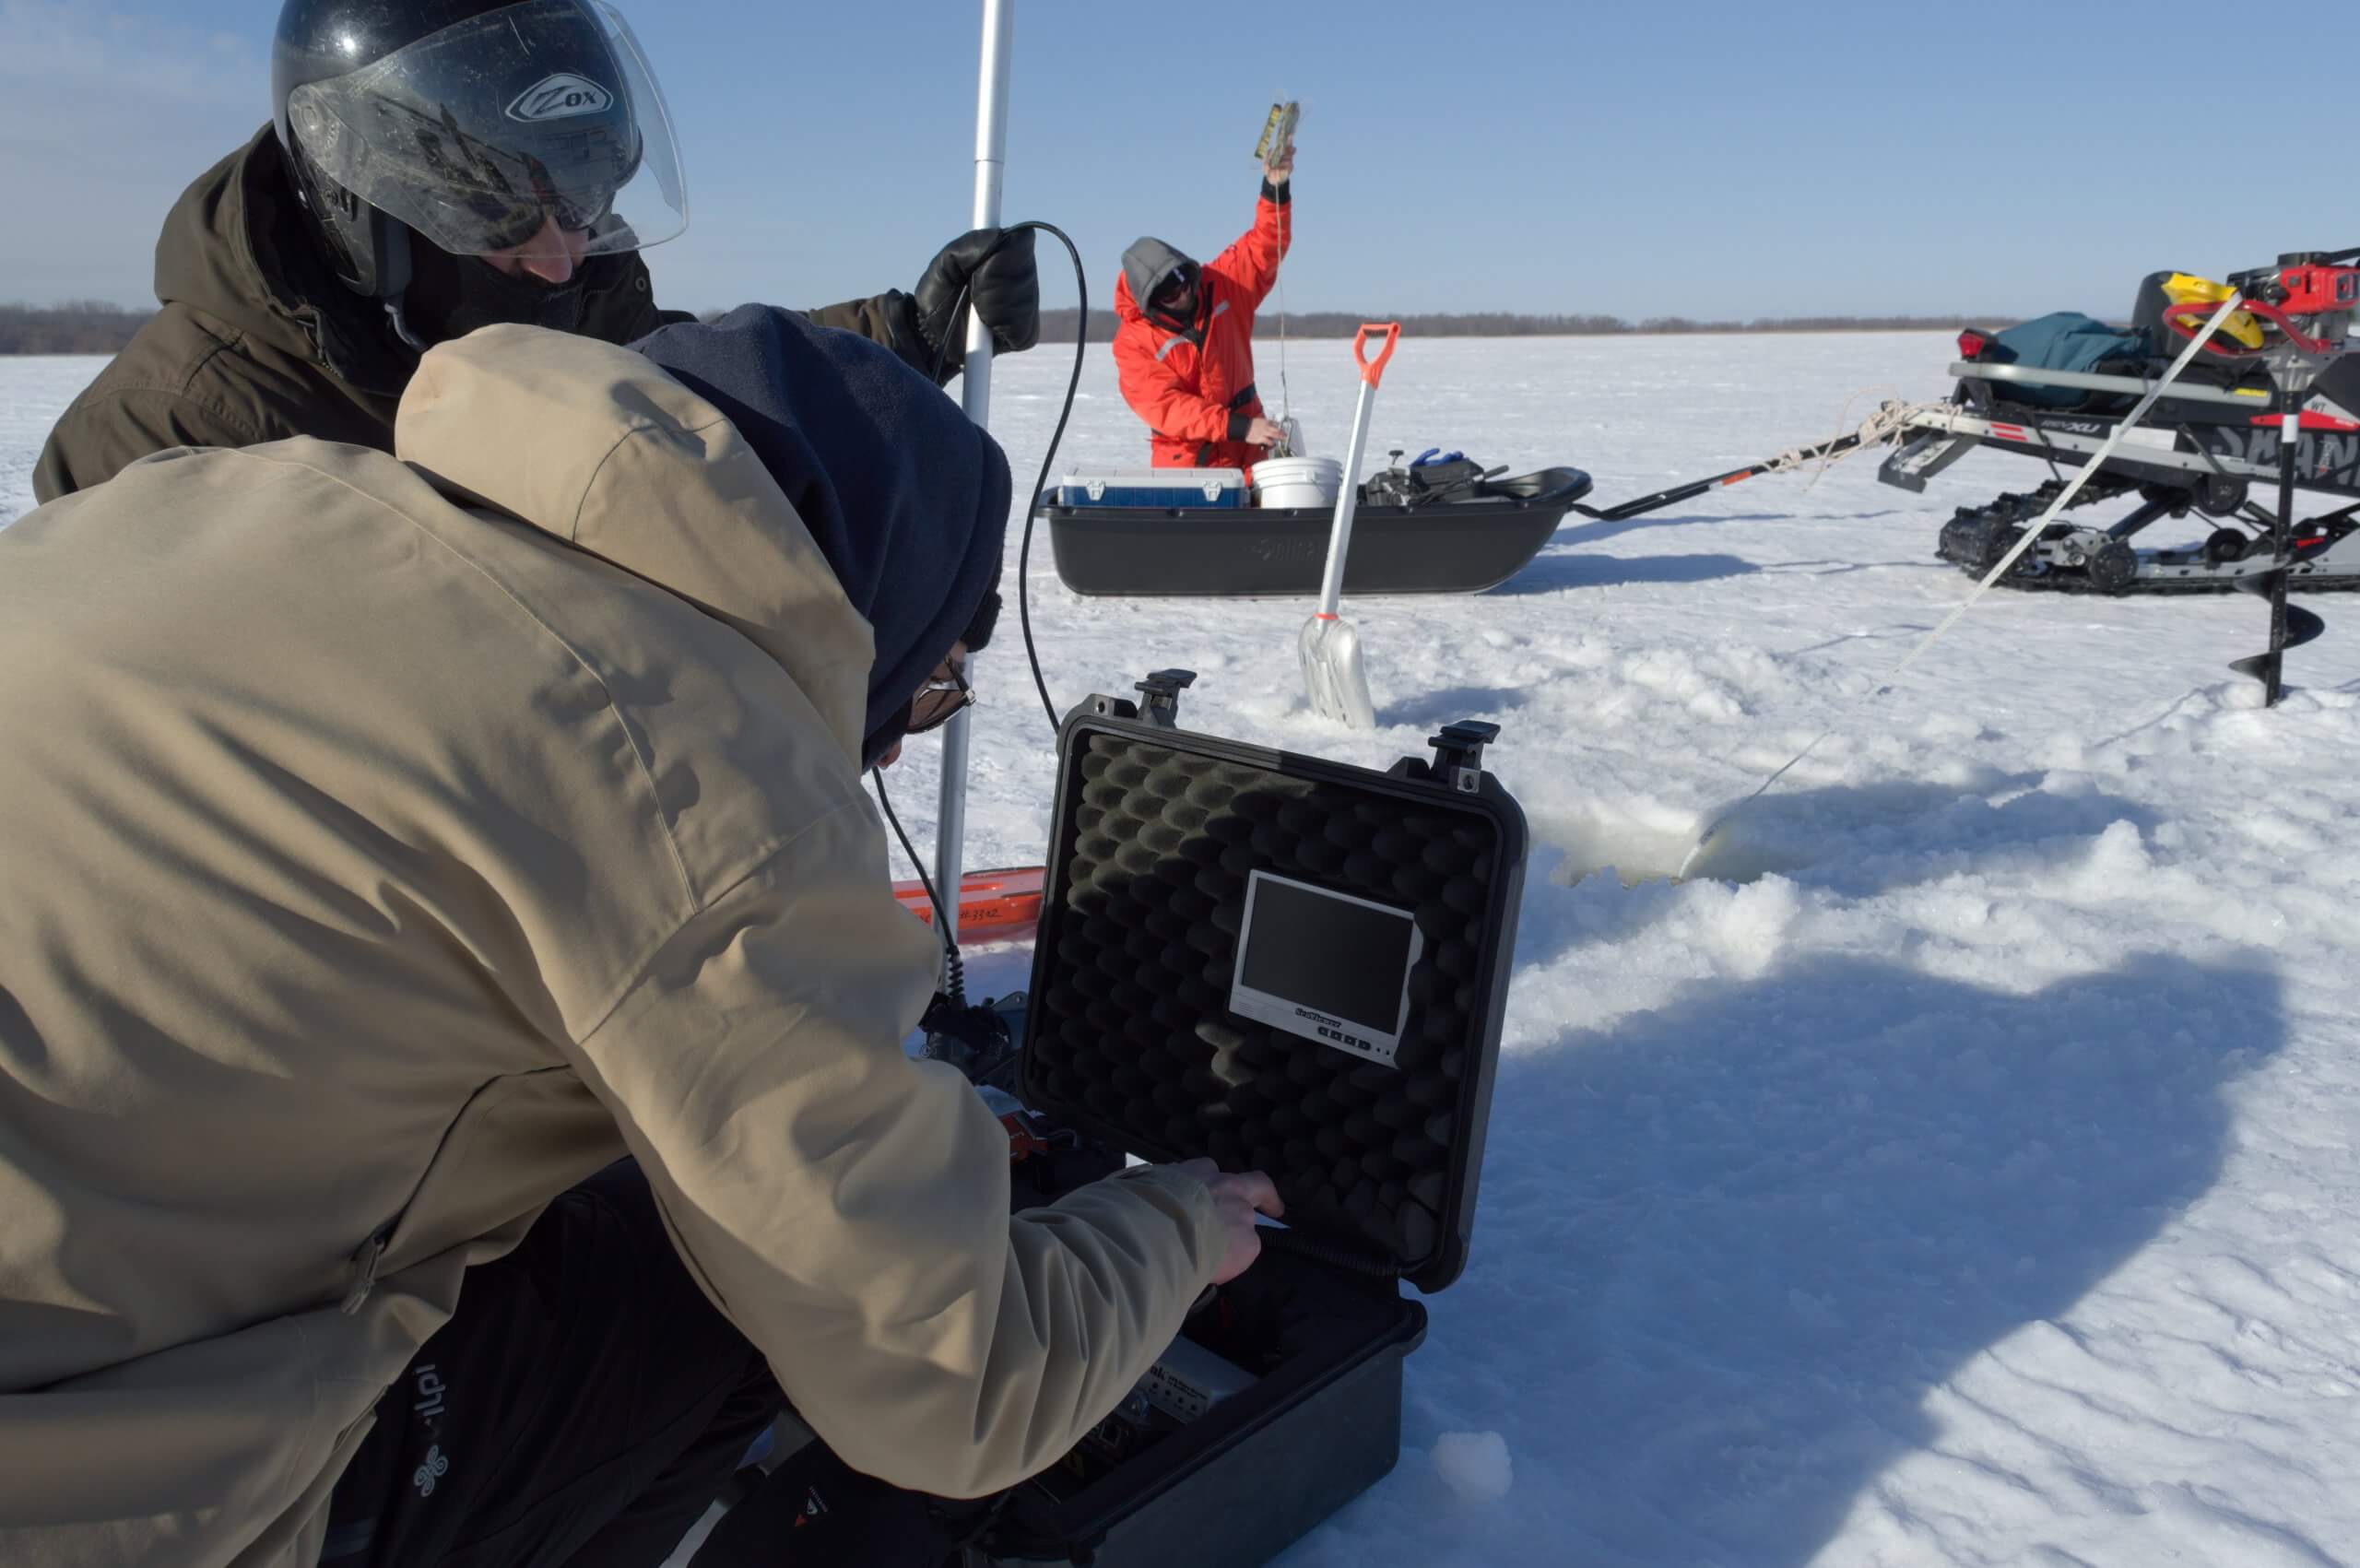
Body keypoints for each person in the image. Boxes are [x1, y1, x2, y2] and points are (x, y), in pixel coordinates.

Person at [0, 307, 1281, 1567]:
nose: (891, 740)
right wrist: (1171, 1232)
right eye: (932, 683)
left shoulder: (222, 497)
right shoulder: (697, 768)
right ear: (870, 600)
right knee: (726, 1303)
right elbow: (950, 1388)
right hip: (90, 1482)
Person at [30, 0, 1041, 504]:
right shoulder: (168, 443)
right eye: (503, 216)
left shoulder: (560, 319)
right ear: (364, 208)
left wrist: (901, 334)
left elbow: (702, 380)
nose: (560, 260)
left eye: (587, 204)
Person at [1112, 142, 1294, 473]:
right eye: (1170, 295)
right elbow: (1168, 407)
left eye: (1185, 282)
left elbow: (1264, 246)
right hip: (1188, 468)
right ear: (1150, 304)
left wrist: (1275, 187)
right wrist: (1240, 426)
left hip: (1251, 453)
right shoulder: (1132, 345)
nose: (1183, 296)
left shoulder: (1221, 284)